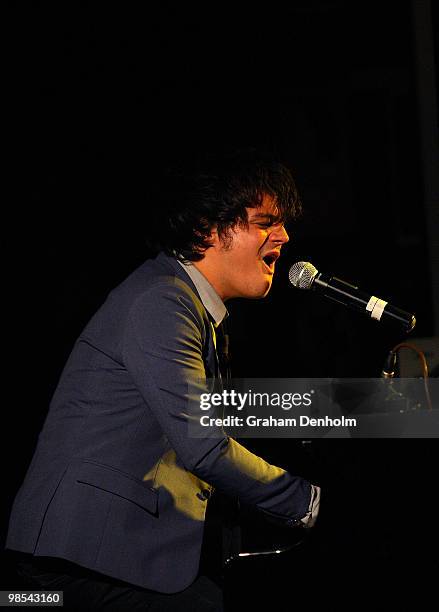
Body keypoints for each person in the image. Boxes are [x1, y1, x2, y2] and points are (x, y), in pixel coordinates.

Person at [6, 149, 321, 611]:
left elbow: (220, 419)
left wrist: (347, 408)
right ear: (208, 227)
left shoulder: (194, 309)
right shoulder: (162, 299)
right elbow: (205, 444)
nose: (284, 235)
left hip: (113, 558)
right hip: (78, 562)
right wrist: (302, 499)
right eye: (266, 222)